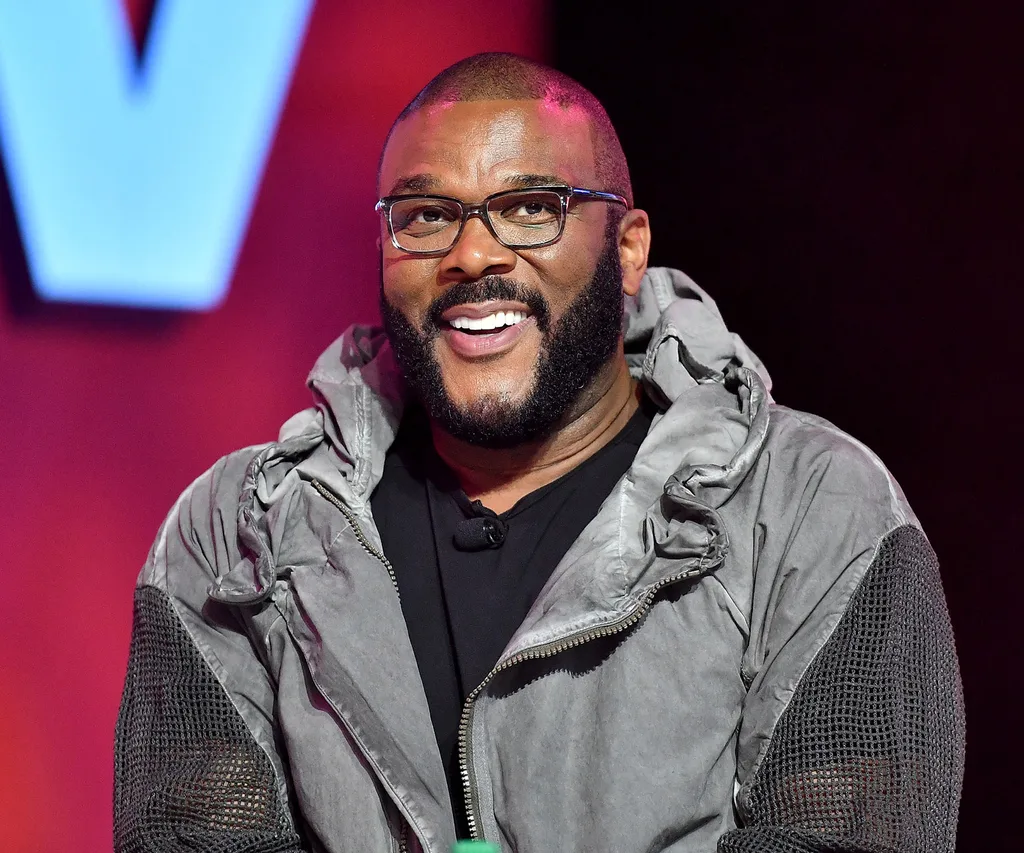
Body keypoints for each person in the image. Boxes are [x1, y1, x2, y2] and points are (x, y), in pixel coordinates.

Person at [113, 53, 965, 853]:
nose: (472, 255)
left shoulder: (812, 509)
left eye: (531, 207)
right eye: (425, 216)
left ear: (627, 249)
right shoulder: (237, 535)